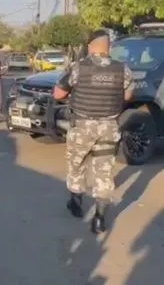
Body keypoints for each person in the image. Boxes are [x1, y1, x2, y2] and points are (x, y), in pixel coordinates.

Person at [53, 29, 133, 234]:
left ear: (90, 46)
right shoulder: (122, 69)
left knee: (77, 164)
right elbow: (127, 96)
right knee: (104, 172)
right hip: (109, 128)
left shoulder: (79, 67)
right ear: (109, 47)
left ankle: (76, 204)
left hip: (82, 127)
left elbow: (58, 93)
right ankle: (99, 219)